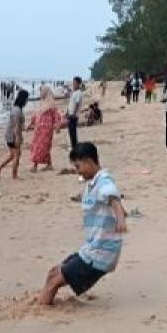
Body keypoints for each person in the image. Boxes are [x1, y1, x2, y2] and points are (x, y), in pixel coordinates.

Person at [37, 142, 127, 305]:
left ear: (89, 161)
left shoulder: (104, 181)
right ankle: (42, 303)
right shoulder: (94, 183)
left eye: (78, 167)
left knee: (54, 281)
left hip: (101, 254)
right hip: (91, 249)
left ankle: (39, 312)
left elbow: (114, 199)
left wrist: (120, 219)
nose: (78, 172)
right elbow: (110, 203)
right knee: (53, 272)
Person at [29, 84, 62, 172]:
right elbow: (36, 115)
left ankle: (35, 166)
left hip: (46, 130)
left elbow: (56, 116)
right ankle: (49, 164)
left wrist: (57, 126)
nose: (41, 93)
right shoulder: (42, 102)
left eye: (42, 91)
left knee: (41, 146)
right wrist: (31, 123)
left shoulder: (51, 103)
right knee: (40, 146)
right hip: (38, 129)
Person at [0, 88, 28, 179]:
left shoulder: (17, 109)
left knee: (12, 155)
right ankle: (14, 176)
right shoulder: (17, 110)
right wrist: (17, 138)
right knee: (17, 155)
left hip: (10, 135)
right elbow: (16, 126)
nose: (27, 101)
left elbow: (19, 126)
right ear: (23, 99)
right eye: (26, 99)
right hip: (12, 136)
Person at [65, 76, 84, 149]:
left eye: (75, 83)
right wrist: (67, 112)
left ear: (79, 84)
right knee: (71, 131)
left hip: (73, 115)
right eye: (73, 83)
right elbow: (71, 103)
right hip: (70, 114)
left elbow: (77, 104)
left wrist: (73, 114)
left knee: (73, 132)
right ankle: (74, 146)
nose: (73, 84)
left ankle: (74, 147)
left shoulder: (79, 93)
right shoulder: (74, 92)